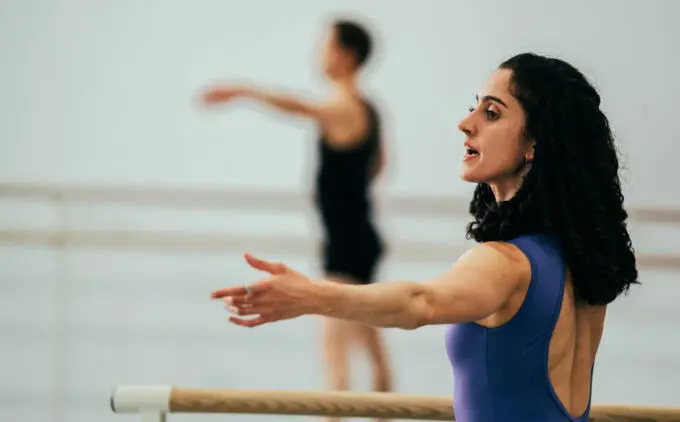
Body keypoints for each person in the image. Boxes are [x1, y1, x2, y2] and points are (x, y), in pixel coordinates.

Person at [210, 52, 640, 422]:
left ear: (535, 142)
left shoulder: (506, 264)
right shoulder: (580, 265)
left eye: (491, 113)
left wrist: (309, 296)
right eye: (474, 108)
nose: (465, 124)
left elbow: (419, 302)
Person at [201, 18, 393, 422]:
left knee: (336, 361)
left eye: (326, 45)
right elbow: (379, 164)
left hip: (344, 247)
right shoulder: (371, 110)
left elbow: (301, 106)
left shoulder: (341, 105)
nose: (319, 53)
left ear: (345, 55)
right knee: (372, 351)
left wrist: (244, 91)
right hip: (361, 237)